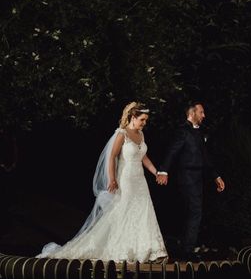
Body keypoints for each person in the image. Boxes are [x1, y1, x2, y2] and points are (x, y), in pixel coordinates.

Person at [36, 102, 167, 262]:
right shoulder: (122, 134)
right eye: (142, 119)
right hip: (126, 179)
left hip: (140, 180)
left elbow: (143, 157)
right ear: (133, 117)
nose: (144, 123)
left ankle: (150, 250)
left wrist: (156, 172)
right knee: (126, 211)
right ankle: (123, 250)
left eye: (146, 120)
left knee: (144, 211)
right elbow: (111, 157)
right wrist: (112, 179)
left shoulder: (141, 135)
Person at [156, 102, 225, 260]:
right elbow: (172, 151)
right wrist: (163, 171)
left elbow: (205, 156)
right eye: (201, 112)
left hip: (198, 178)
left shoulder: (200, 133)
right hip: (186, 176)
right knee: (195, 211)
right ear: (192, 113)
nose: (204, 115)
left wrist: (216, 176)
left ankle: (185, 247)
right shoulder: (182, 131)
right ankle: (187, 251)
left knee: (193, 211)